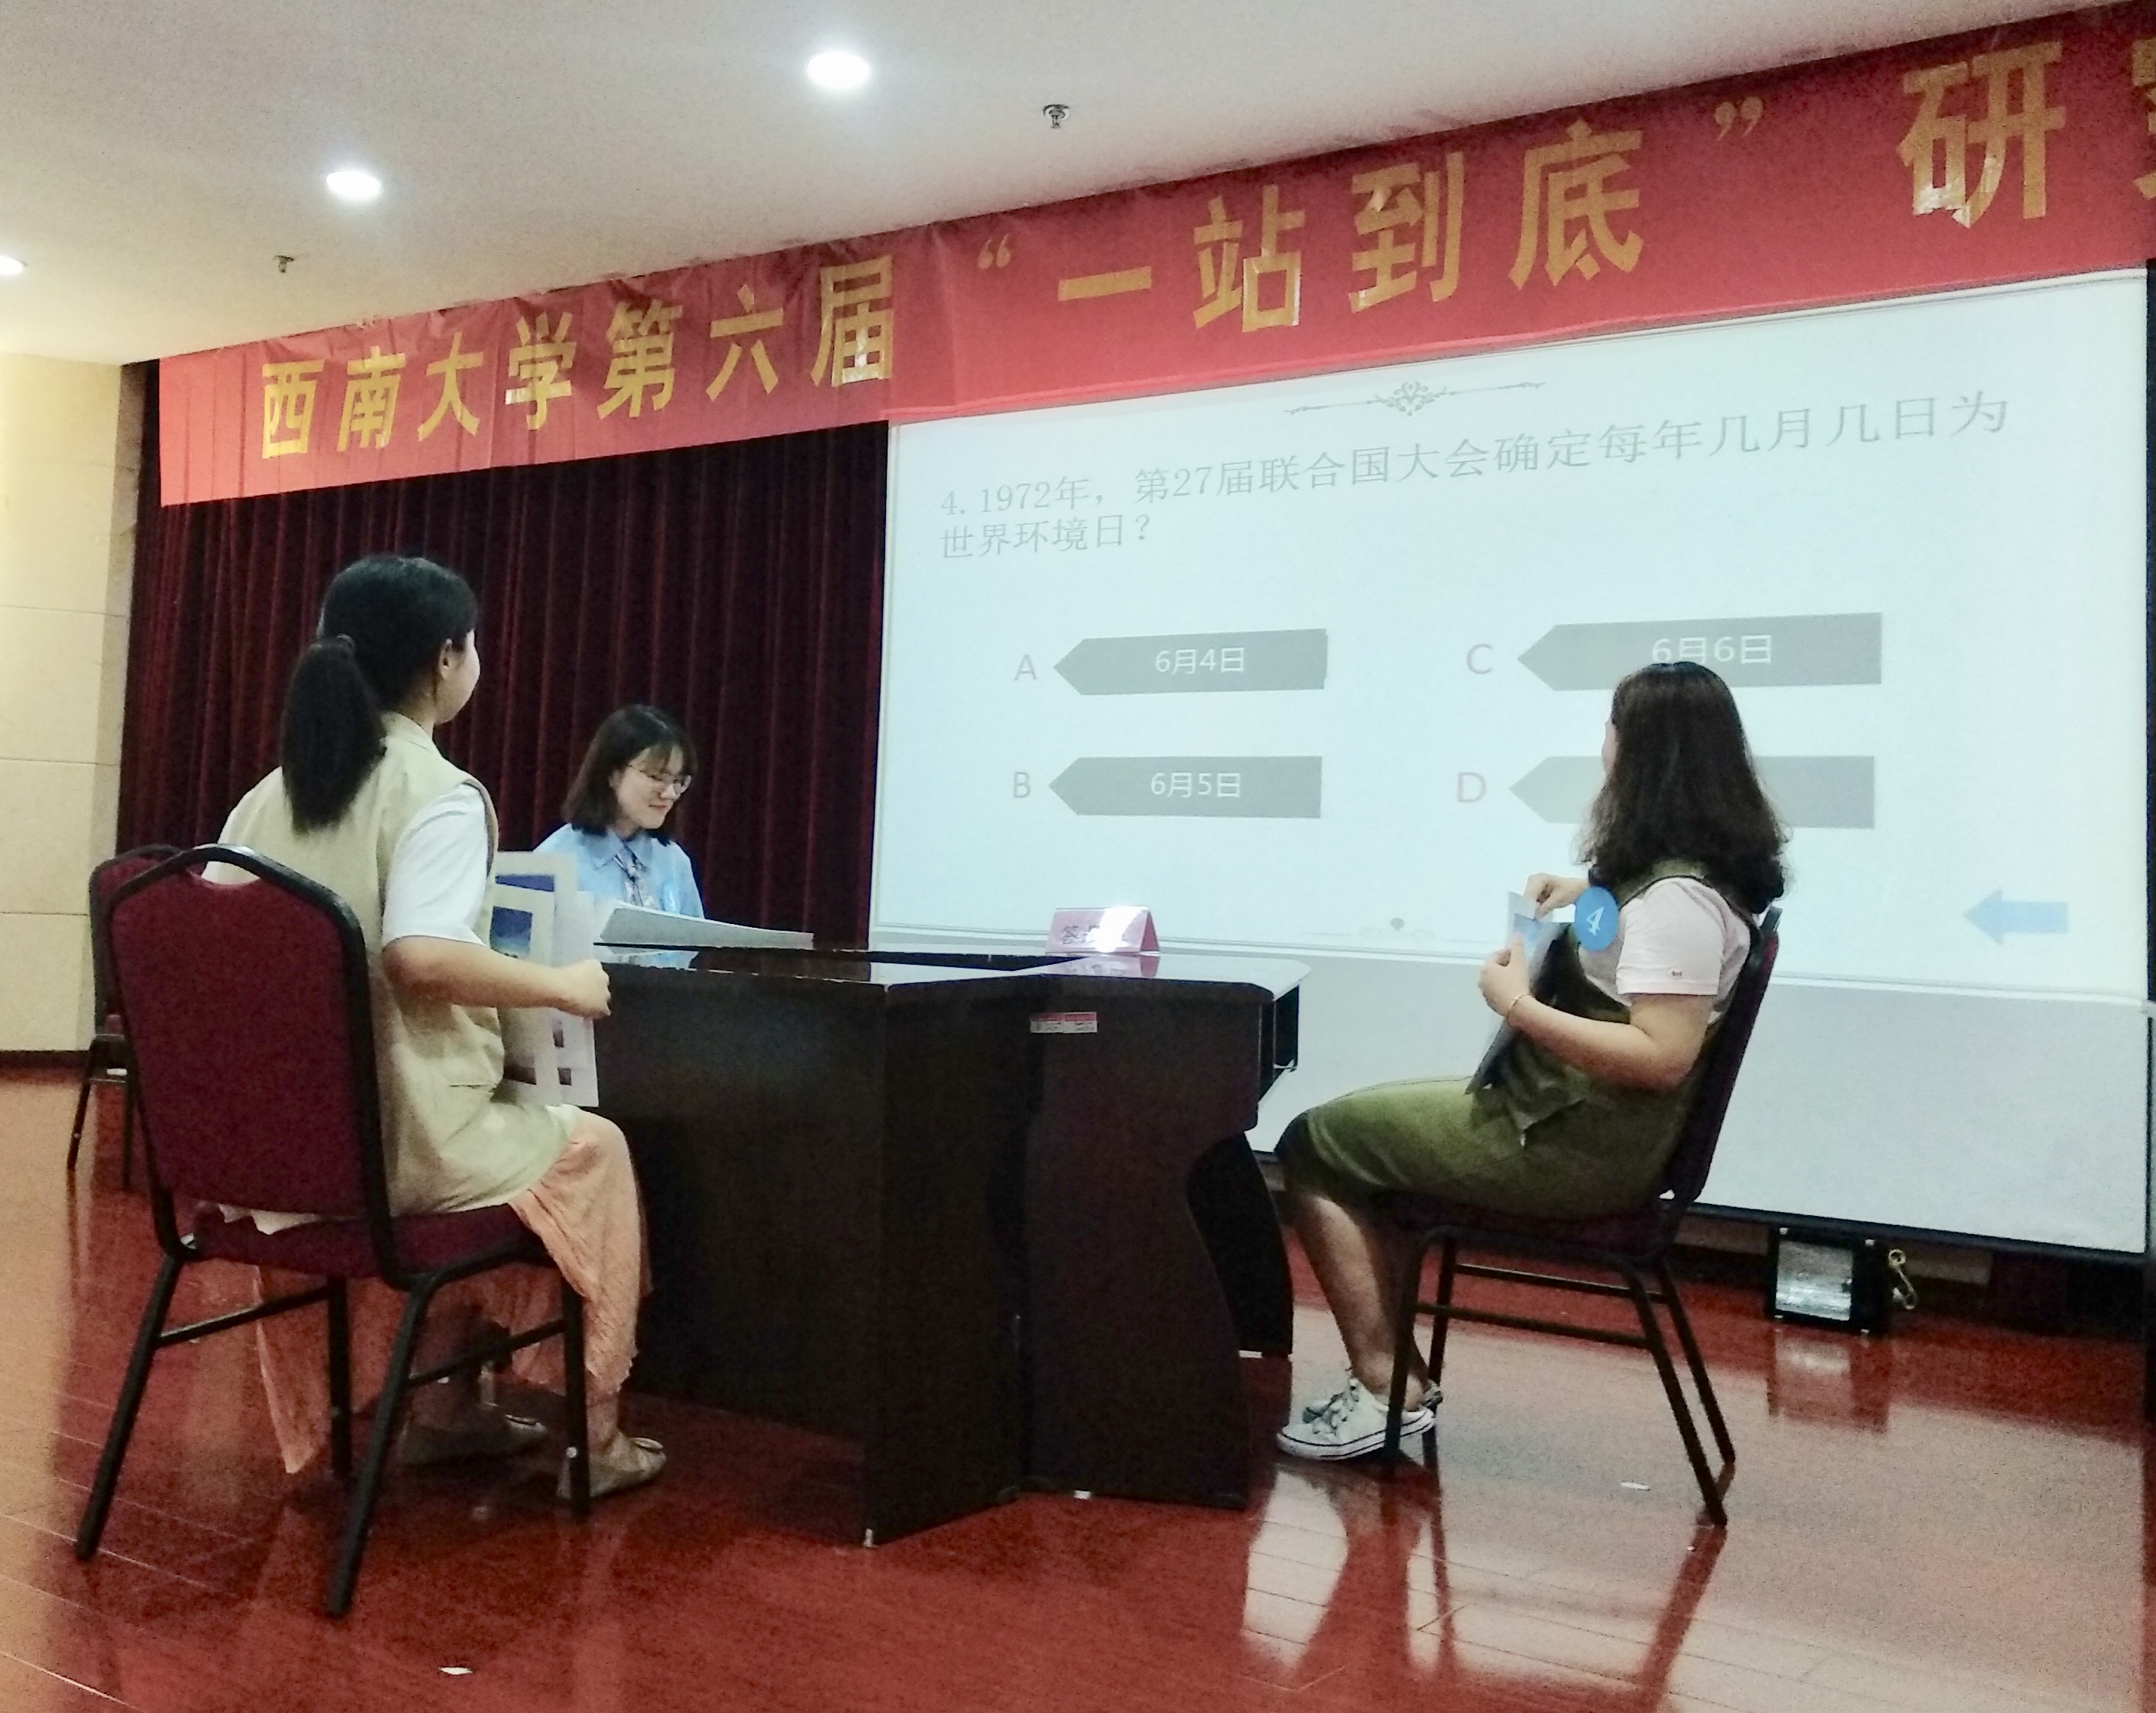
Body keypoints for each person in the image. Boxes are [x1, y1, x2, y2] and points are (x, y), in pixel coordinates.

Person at [218, 553, 664, 1497]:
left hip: (271, 1157)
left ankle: (447, 1409)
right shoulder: (437, 793)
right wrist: (560, 987)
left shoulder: (261, 801)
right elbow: (419, 955)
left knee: (511, 1140)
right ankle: (598, 1438)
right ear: (447, 659)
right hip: (399, 1146)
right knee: (595, 1152)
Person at [1274, 661, 1786, 1461]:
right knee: (1361, 1139)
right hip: (1566, 1117)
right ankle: (1394, 1377)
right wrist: (1585, 893)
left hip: (1573, 1147)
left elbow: (1661, 1056)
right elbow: (1636, 957)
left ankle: (1384, 1387)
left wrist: (1518, 1006)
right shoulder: (1688, 878)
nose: (1603, 743)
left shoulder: (1675, 903)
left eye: (1612, 728)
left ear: (1639, 753)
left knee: (1315, 1141)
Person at [537, 705, 705, 920]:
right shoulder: (553, 861)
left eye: (678, 781)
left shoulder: (674, 862)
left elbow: (693, 939)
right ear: (612, 773)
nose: (670, 793)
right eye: (657, 777)